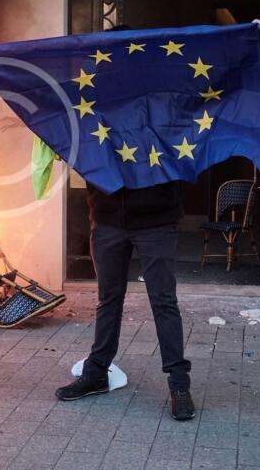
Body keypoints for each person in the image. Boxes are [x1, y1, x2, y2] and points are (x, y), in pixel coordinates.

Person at [54, 23, 196, 422]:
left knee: (163, 301)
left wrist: (253, 35)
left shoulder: (164, 99)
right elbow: (54, 108)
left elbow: (211, 93)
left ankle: (179, 384)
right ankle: (96, 374)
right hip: (109, 218)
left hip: (156, 219)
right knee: (108, 299)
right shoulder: (94, 100)